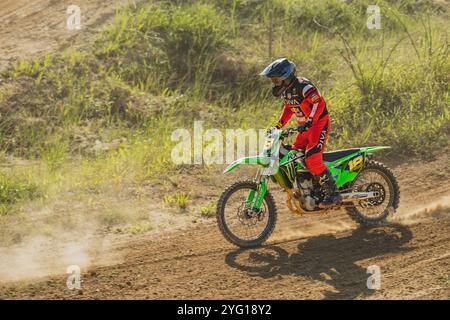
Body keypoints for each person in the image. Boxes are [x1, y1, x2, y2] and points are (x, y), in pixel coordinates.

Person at [260, 58, 341, 208]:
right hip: (304, 127)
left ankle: (333, 193)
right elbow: (289, 108)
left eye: (276, 80)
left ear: (286, 77)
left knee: (312, 159)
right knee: (295, 156)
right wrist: (278, 126)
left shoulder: (303, 86)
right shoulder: (287, 92)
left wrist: (310, 120)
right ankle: (311, 188)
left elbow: (319, 103)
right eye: (273, 80)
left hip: (318, 124)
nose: (275, 84)